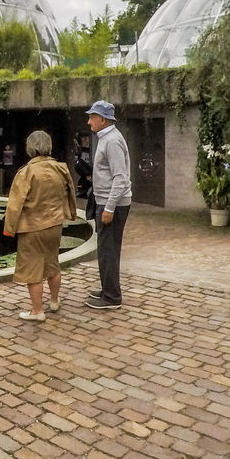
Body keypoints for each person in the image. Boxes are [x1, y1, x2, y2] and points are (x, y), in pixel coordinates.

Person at [2, 129, 79, 322]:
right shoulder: (60, 168)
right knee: (53, 263)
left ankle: (37, 311)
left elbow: (14, 204)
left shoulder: (26, 172)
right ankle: (54, 301)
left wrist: (8, 229)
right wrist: (71, 213)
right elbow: (70, 193)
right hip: (55, 224)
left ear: (30, 148)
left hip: (32, 227)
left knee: (33, 270)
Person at [85, 100, 132, 309]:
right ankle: (107, 289)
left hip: (112, 204)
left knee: (109, 250)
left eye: (92, 117)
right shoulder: (106, 138)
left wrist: (110, 207)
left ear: (102, 119)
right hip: (104, 201)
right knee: (105, 249)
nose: (89, 122)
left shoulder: (112, 140)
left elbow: (120, 178)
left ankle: (112, 297)